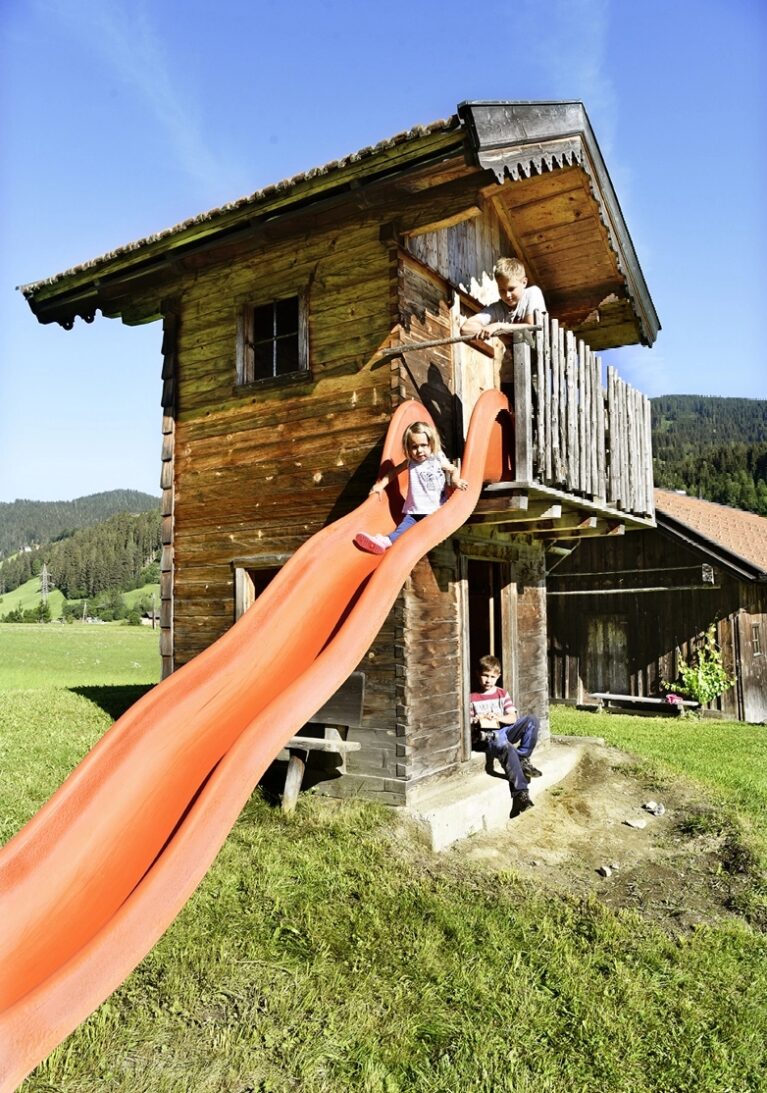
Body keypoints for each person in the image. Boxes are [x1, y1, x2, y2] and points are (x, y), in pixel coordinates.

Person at [354, 420, 468, 554]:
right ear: (408, 448)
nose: (419, 450)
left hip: (435, 512)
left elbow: (453, 469)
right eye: (414, 447)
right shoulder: (410, 462)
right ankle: (383, 542)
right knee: (401, 531)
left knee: (417, 534)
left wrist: (456, 481)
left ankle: (392, 544)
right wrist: (380, 485)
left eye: (423, 445)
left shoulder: (437, 459)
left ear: (431, 444)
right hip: (415, 511)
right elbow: (393, 472)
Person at [460, 257, 546, 397]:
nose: (507, 295)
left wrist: (499, 327)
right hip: (510, 374)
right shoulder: (497, 308)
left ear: (524, 282)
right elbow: (466, 329)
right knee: (510, 412)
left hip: (535, 370)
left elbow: (532, 326)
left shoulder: (532, 294)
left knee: (535, 412)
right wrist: (493, 332)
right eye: (502, 290)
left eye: (511, 289)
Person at [469, 653, 541, 817]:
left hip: (503, 728)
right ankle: (521, 794)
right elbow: (467, 719)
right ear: (477, 674)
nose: (488, 680)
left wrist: (499, 717)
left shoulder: (501, 693)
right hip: (486, 735)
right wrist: (477, 719)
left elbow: (512, 717)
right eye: (485, 676)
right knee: (504, 745)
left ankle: (523, 757)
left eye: (492, 677)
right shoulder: (471, 696)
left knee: (531, 720)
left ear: (498, 676)